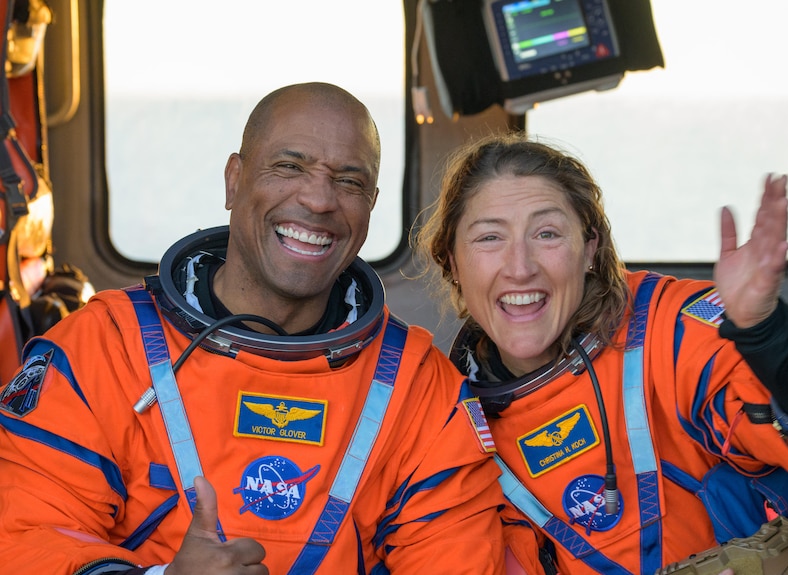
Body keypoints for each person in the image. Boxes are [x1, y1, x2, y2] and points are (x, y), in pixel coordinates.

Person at [0, 83, 510, 574]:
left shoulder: (420, 388)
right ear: (233, 179)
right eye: (289, 167)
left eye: (349, 181)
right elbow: (25, 534)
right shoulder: (104, 347)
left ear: (371, 204)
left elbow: (454, 556)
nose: (318, 200)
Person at [414, 132, 788, 575]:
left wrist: (768, 333)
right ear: (452, 261)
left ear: (589, 248)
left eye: (547, 234)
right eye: (489, 238)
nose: (520, 267)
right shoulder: (445, 418)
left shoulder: (670, 333)